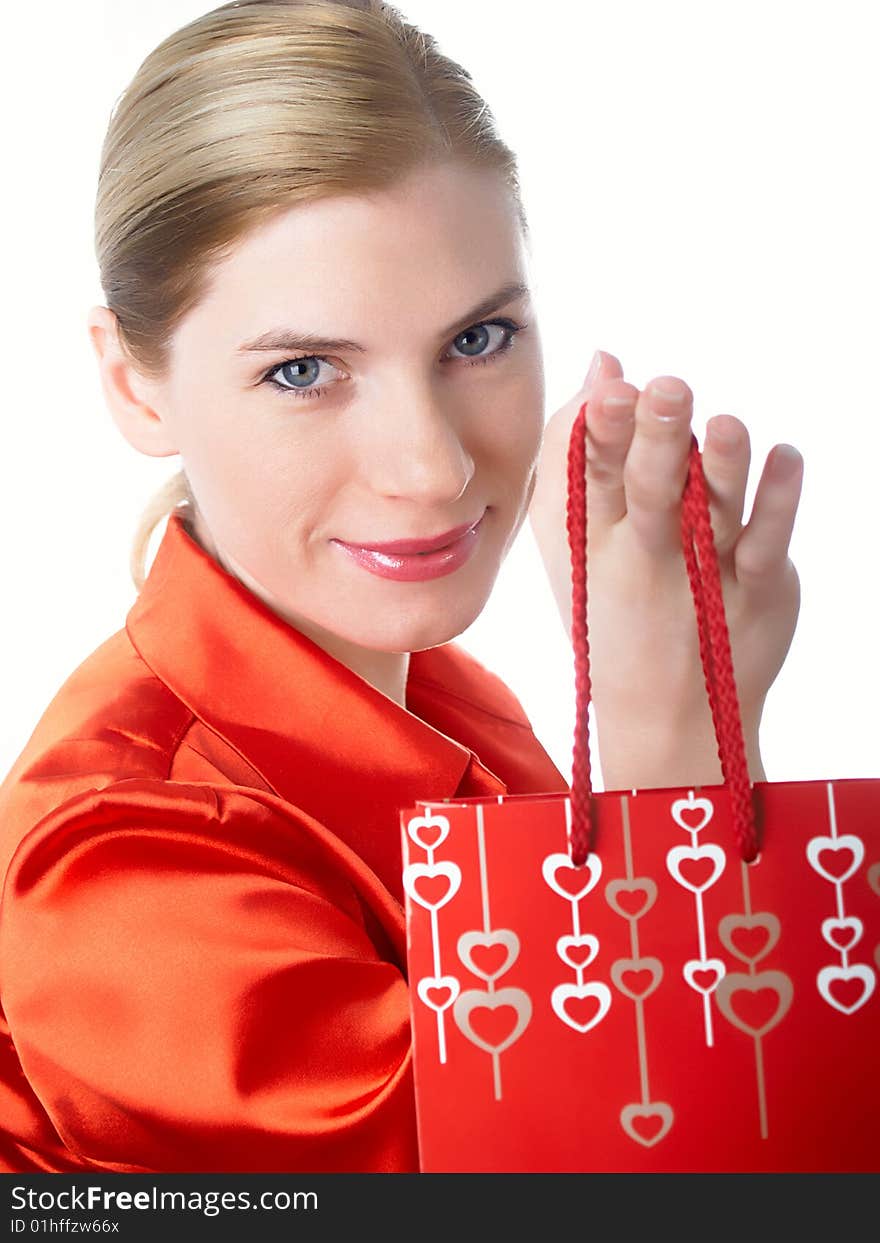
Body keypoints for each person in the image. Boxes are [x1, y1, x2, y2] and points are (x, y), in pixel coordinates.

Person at [0, 0, 803, 1173]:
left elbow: (775, 1090)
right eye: (304, 369)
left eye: (476, 342)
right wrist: (664, 741)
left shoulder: (449, 701)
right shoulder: (120, 857)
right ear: (134, 382)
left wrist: (684, 742)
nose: (432, 467)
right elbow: (597, 1178)